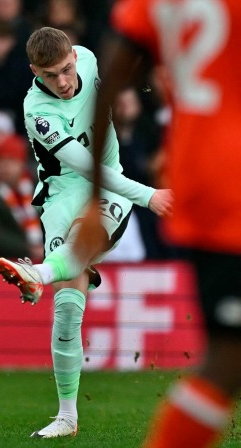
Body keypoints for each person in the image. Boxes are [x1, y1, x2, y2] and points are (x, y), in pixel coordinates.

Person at [0, 27, 172, 438]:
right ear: (34, 70)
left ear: (75, 57)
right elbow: (82, 165)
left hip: (110, 188)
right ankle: (67, 419)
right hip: (62, 194)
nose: (63, 81)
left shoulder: (89, 60)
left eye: (66, 69)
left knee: (75, 248)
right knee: (69, 309)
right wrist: (151, 197)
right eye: (51, 74)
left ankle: (37, 274)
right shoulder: (36, 109)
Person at [76, 1, 241, 447]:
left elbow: (106, 84)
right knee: (229, 358)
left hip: (199, 179)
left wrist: (93, 202)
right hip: (231, 191)